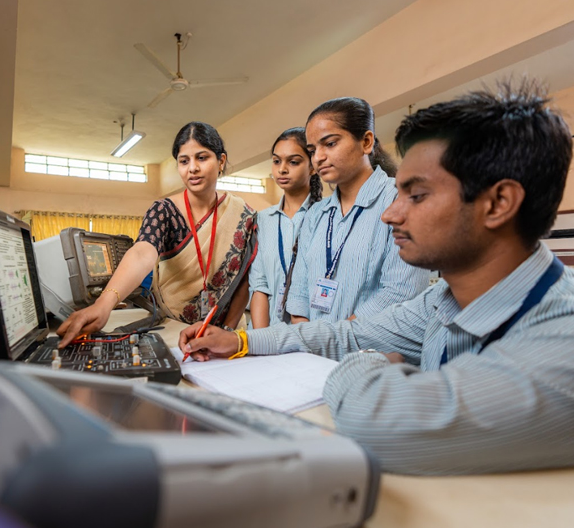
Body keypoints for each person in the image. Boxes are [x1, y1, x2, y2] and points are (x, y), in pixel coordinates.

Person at [179, 79, 574, 476]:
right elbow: (342, 335)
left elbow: (377, 420)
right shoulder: (443, 302)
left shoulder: (562, 338)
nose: (390, 214)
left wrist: (367, 363)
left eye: (416, 196)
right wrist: (240, 340)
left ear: (498, 203)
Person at [57, 122, 257, 347]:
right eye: (184, 161)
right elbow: (143, 252)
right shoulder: (163, 211)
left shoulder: (242, 214)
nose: (192, 168)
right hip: (174, 333)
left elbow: (244, 281)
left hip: (226, 336)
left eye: (202, 158)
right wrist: (104, 304)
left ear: (221, 161)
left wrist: (228, 332)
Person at [286, 97, 429, 324]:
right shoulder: (317, 214)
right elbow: (299, 295)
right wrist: (309, 348)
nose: (318, 158)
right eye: (312, 150)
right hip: (310, 353)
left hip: (371, 353)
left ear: (366, 142)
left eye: (330, 144)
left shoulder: (401, 200)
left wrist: (327, 342)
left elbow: (400, 293)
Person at [249, 128, 323, 328]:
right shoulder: (264, 219)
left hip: (312, 332)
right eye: (276, 161)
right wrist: (261, 341)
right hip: (269, 329)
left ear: (312, 167)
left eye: (293, 162)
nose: (282, 169)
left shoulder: (326, 217)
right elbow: (259, 286)